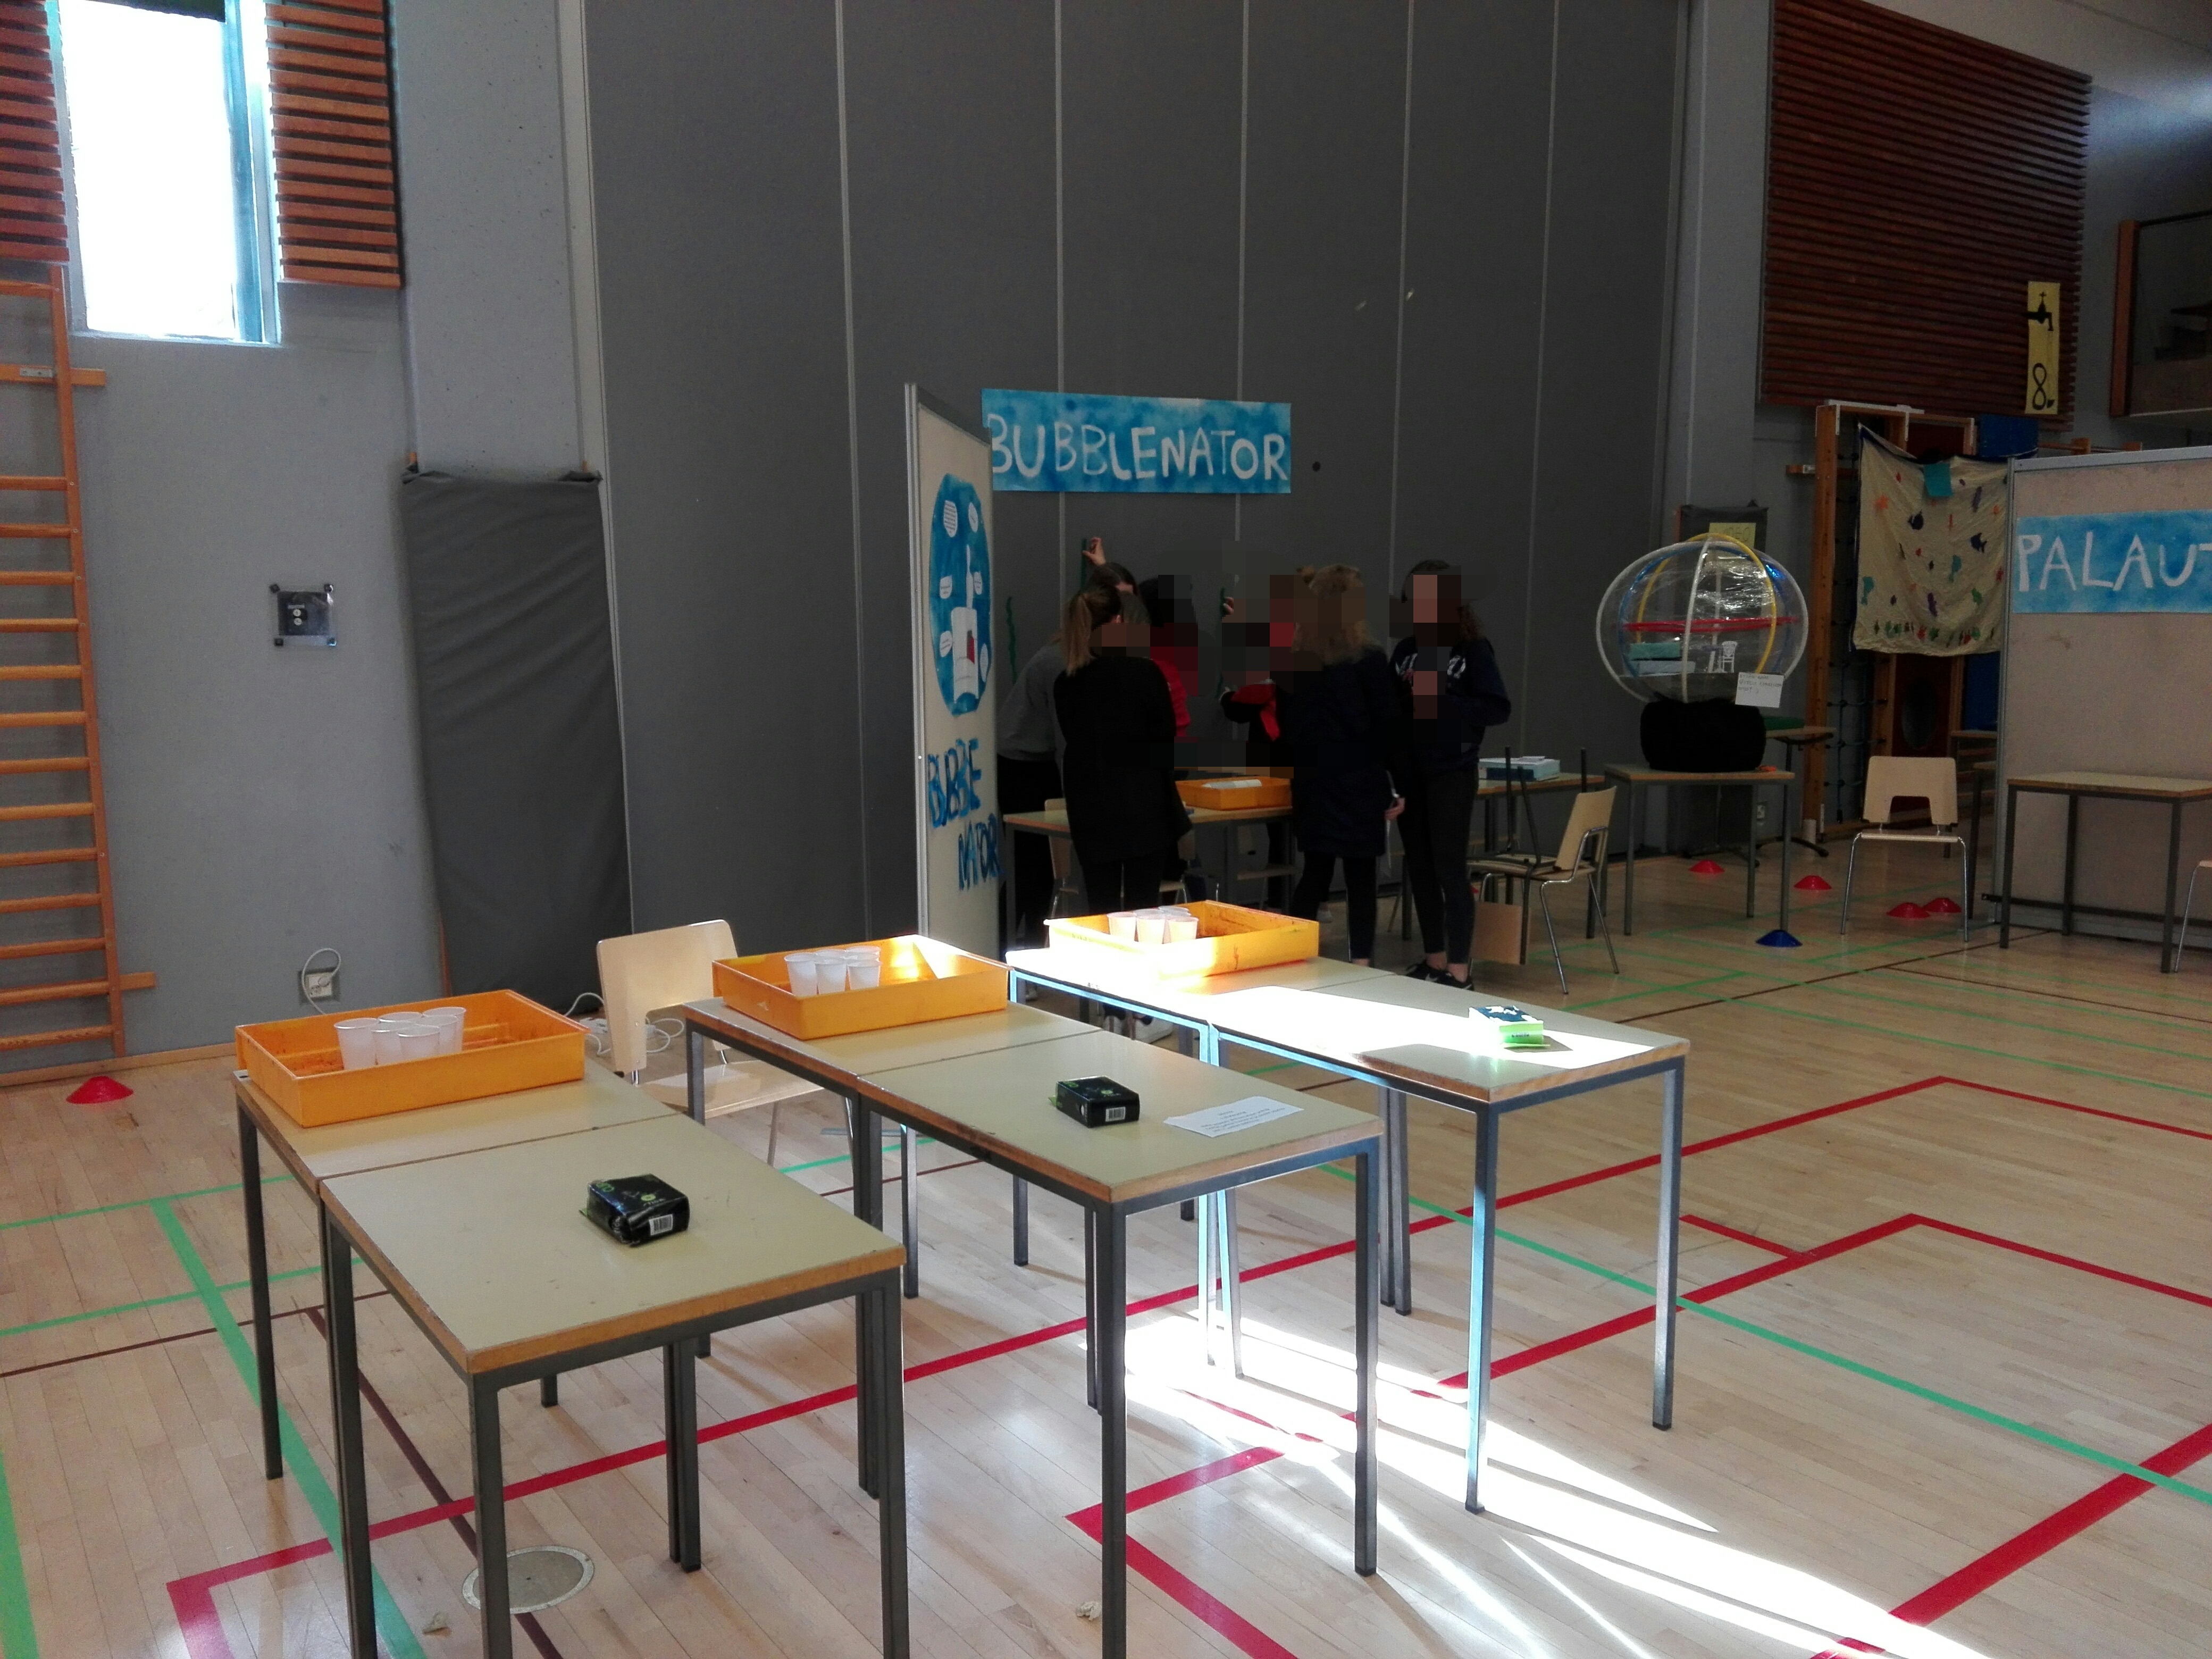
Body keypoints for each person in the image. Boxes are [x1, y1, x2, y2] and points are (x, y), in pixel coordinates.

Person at [996, 557, 1142, 944]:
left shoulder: (1085, 655)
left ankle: (1027, 948)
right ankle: (1007, 950)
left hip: (1040, 761)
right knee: (1031, 868)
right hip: (1022, 764)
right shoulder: (1063, 661)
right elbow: (1071, 738)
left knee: (1041, 871)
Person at [1390, 559, 1512, 985]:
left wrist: (1441, 696)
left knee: (1449, 867)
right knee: (1419, 868)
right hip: (1410, 772)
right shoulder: (1405, 651)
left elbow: (1496, 708)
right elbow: (1389, 713)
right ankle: (1435, 959)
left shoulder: (1473, 650)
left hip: (1451, 770)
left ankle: (1460, 970)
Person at [1276, 565, 1402, 964]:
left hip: (1313, 780)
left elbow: (1287, 729)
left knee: (1315, 872)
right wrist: (1396, 785)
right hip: (1359, 779)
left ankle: (1292, 954)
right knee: (1361, 877)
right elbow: (1387, 727)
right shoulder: (1369, 661)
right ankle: (1361, 960)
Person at [1053, 583, 1189, 913]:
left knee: (1102, 910)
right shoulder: (1144, 673)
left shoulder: (1066, 682)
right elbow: (1166, 737)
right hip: (1144, 806)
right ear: (1117, 622)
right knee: (1144, 910)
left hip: (1091, 810)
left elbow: (1074, 738)